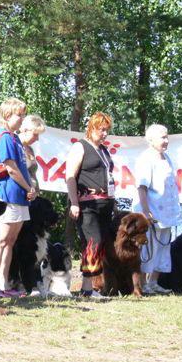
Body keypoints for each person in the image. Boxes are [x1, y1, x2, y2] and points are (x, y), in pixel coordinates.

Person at [0, 98, 34, 298]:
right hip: (6, 194)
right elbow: (11, 168)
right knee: (0, 240)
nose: (22, 119)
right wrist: (28, 186)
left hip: (20, 196)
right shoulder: (5, 136)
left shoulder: (14, 138)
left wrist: (29, 188)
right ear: (7, 115)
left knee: (11, 240)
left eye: (23, 114)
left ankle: (4, 284)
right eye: (19, 115)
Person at [66, 112, 115, 298]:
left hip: (105, 203)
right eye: (101, 130)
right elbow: (69, 176)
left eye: (107, 131)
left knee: (96, 244)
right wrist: (74, 203)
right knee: (93, 242)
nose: (104, 134)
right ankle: (90, 287)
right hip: (87, 204)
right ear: (92, 128)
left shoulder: (103, 150)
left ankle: (87, 288)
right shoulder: (80, 147)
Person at [132, 124, 182, 294]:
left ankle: (154, 282)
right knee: (148, 248)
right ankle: (144, 284)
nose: (166, 140)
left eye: (167, 137)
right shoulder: (146, 158)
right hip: (151, 212)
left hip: (167, 213)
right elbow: (142, 187)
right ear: (151, 140)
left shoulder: (167, 158)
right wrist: (145, 212)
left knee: (163, 248)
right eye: (162, 137)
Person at [18, 114, 46, 194]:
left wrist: (36, 192)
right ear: (25, 130)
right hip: (20, 193)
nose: (37, 139)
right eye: (35, 134)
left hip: (32, 195)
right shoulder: (15, 145)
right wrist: (28, 189)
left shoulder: (30, 149)